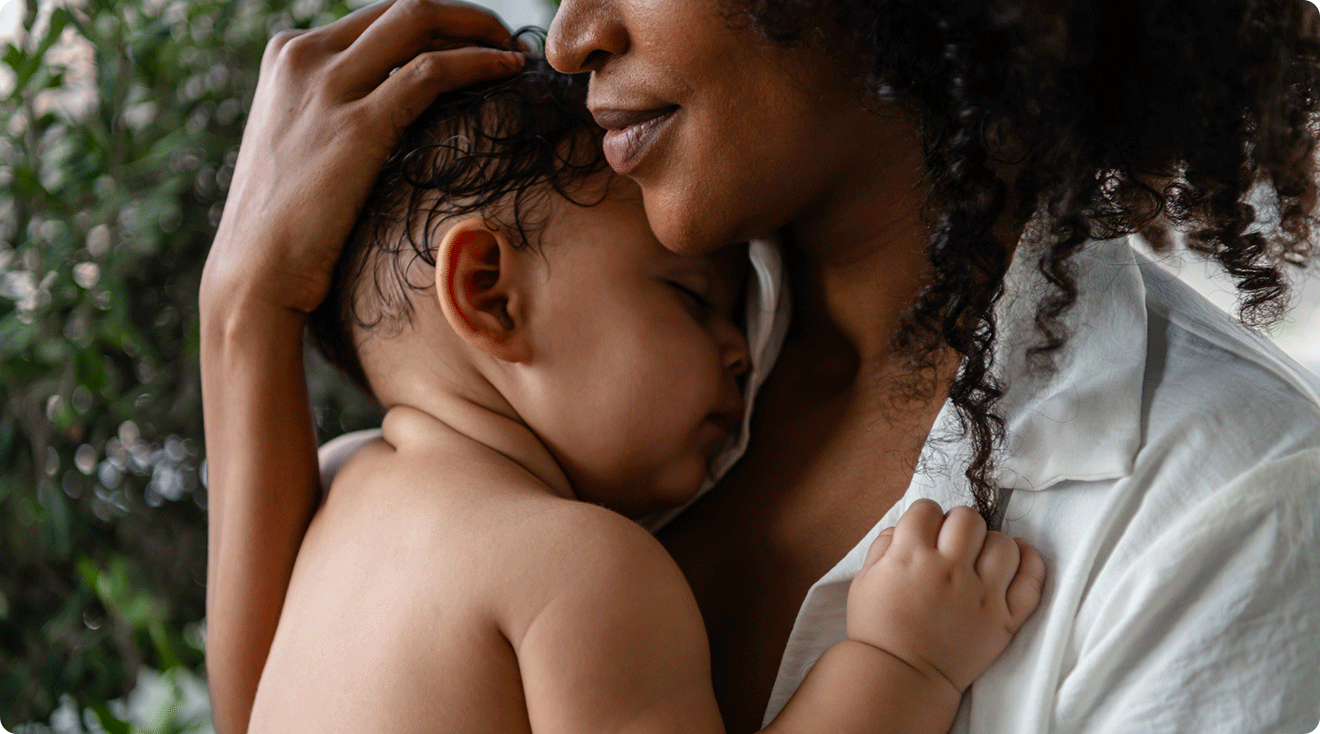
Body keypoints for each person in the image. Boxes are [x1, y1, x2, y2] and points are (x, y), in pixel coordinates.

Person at [199, 1, 1320, 733]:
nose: (571, 32)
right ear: (485, 293)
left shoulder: (1225, 502)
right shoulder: (592, 475)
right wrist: (242, 307)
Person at [242, 61, 1044, 734]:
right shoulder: (575, 569)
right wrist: (902, 663)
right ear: (489, 294)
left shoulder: (333, 485)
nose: (740, 350)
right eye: (691, 299)